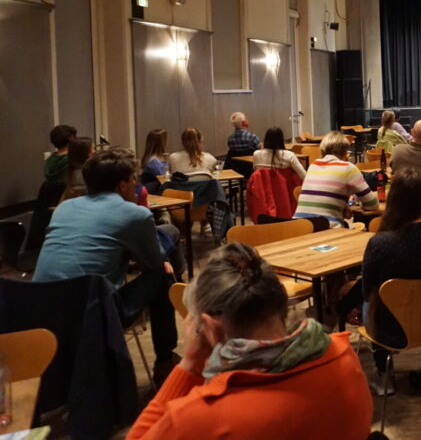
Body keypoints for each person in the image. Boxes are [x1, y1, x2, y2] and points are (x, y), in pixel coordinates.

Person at [127, 242, 372, 439]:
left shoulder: (196, 418)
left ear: (209, 327)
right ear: (281, 302)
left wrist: (189, 364)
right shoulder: (345, 358)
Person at [35, 148, 180, 371]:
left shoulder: (63, 208)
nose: (135, 184)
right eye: (133, 179)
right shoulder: (135, 213)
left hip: (42, 312)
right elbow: (153, 263)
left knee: (165, 240)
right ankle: (165, 359)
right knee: (161, 273)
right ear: (122, 185)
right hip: (93, 314)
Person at [361, 171, 421, 396]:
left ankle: (384, 374)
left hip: (393, 330)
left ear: (393, 200)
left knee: (362, 297)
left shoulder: (380, 243)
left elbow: (367, 292)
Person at [295, 131, 378, 228]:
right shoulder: (348, 168)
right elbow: (372, 205)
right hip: (327, 229)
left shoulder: (313, 165)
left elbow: (322, 196)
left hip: (300, 227)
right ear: (345, 151)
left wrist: (342, 206)